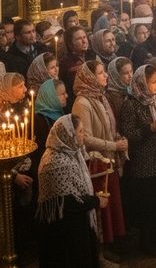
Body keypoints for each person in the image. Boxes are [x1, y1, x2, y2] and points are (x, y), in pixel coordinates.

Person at [35, 114, 107, 268]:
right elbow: (68, 202)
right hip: (63, 232)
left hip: (74, 223)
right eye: (80, 131)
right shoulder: (55, 162)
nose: (83, 135)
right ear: (69, 134)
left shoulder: (71, 153)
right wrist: (95, 201)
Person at [71, 60, 127, 247]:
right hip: (96, 163)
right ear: (90, 78)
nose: (106, 75)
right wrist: (113, 145)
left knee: (112, 203)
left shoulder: (100, 96)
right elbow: (85, 138)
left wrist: (117, 137)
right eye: (101, 73)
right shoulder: (82, 103)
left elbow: (109, 125)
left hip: (108, 160)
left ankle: (115, 241)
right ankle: (103, 247)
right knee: (102, 206)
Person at [119, 64, 156, 256]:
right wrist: (151, 128)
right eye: (153, 82)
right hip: (142, 163)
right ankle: (146, 241)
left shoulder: (154, 99)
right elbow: (128, 134)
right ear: (142, 82)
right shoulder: (131, 104)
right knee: (146, 204)